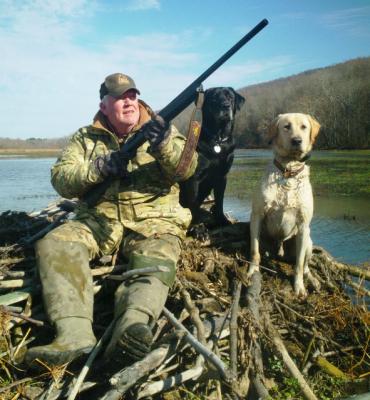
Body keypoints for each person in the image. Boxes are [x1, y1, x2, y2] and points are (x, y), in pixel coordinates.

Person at [25, 73, 197, 367]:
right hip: (99, 220)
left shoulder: (162, 128)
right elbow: (61, 180)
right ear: (104, 106)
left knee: (156, 256)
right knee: (56, 243)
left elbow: (187, 169)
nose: (128, 101)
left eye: (132, 95)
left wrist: (164, 145)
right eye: (119, 97)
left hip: (155, 218)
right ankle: (74, 335)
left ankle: (130, 330)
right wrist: (99, 168)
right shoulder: (84, 137)